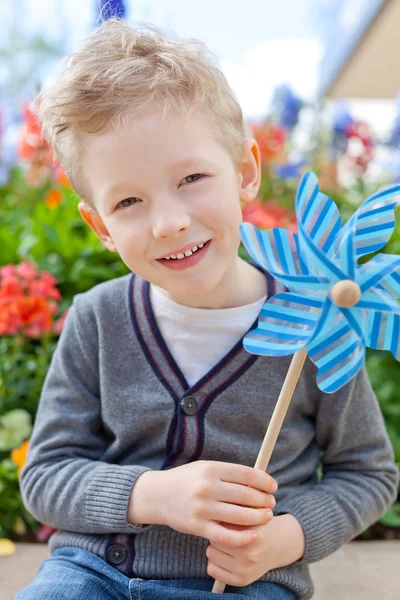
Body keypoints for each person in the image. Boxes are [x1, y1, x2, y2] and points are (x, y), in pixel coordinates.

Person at [16, 18, 398, 600]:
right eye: (128, 200)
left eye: (192, 177)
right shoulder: (98, 319)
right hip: (94, 575)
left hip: (247, 583)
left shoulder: (317, 322)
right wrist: (152, 495)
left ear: (245, 171)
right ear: (100, 226)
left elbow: (367, 473)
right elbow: (45, 476)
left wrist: (285, 539)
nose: (168, 221)